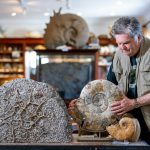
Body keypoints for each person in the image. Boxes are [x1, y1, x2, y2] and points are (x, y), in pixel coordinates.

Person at [68, 16, 150, 144]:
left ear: (138, 37)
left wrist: (134, 102)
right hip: (126, 125)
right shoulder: (118, 55)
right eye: (118, 43)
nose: (122, 48)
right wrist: (82, 105)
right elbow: (107, 88)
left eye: (126, 43)